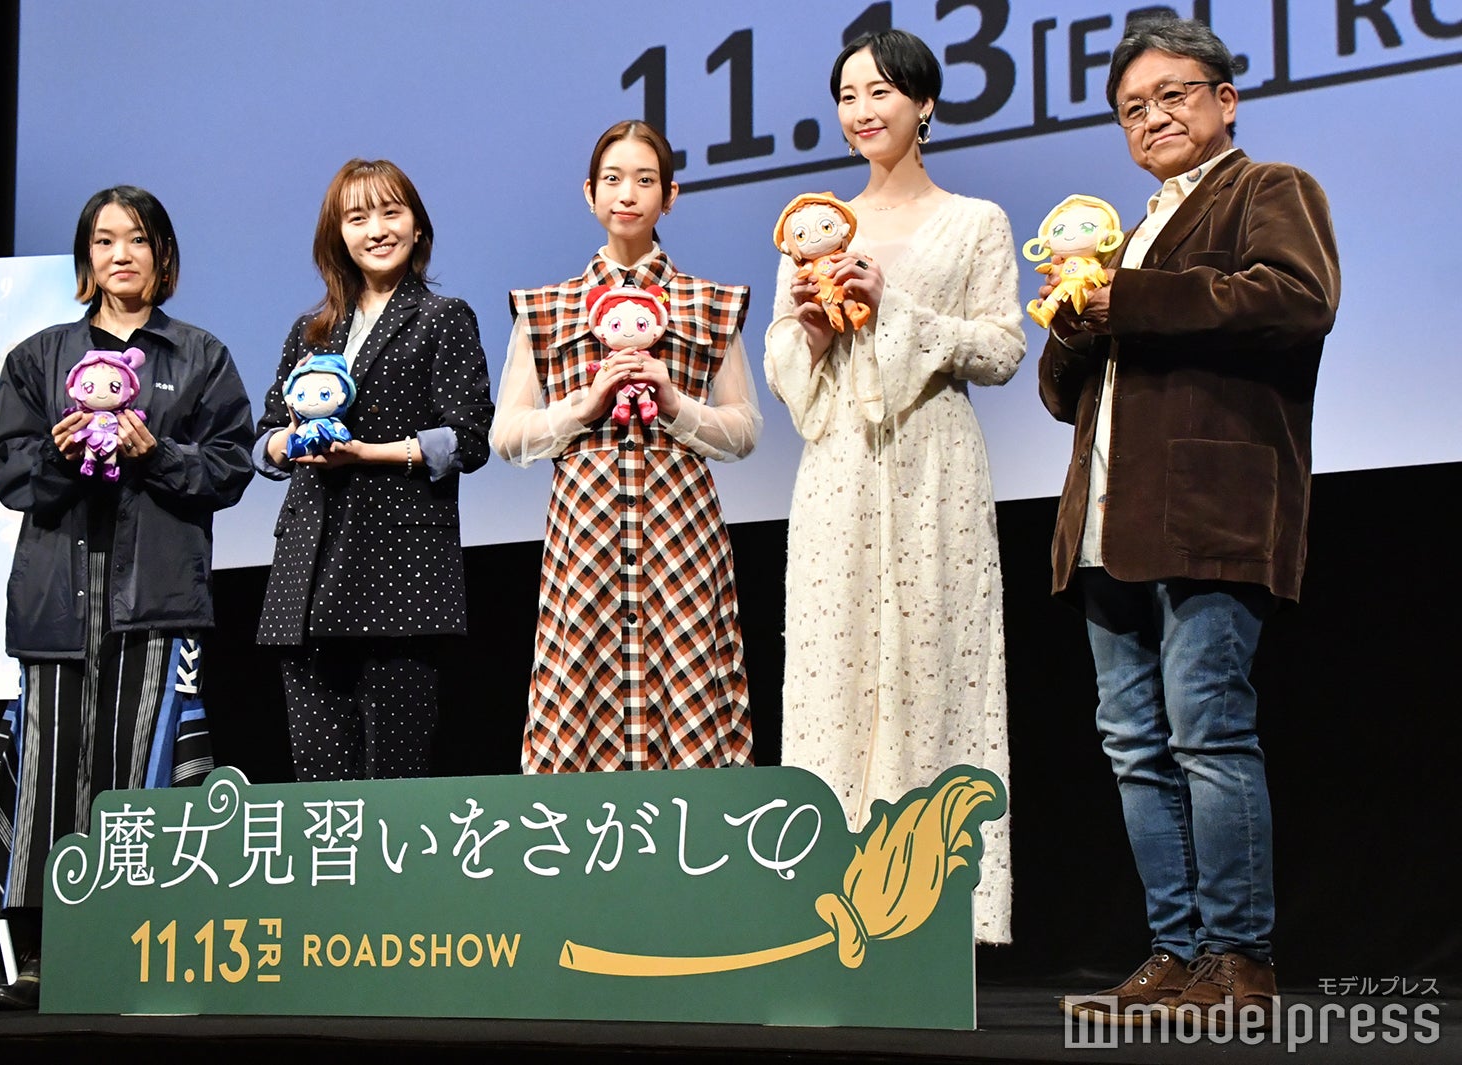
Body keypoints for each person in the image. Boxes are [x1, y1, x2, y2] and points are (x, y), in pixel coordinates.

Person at [1038, 16, 1340, 1027]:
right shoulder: (1123, 239)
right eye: (1132, 107)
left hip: (1211, 508)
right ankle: (1174, 950)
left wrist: (1126, 298)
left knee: (1209, 732)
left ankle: (1238, 958)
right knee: (1133, 744)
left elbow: (1295, 299)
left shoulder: (1268, 189)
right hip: (1106, 521)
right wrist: (1073, 321)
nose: (1152, 117)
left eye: (1172, 95)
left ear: (1224, 99)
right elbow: (1061, 395)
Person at [0, 185, 256, 1009]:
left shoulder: (200, 356)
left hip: (156, 599)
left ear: (162, 255)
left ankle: (137, 950)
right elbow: (8, 471)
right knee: (50, 775)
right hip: (58, 600)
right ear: (87, 257)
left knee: (138, 774)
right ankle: (47, 956)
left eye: (138, 239)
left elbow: (231, 467)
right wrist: (57, 451)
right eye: (105, 240)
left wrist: (158, 454)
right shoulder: (40, 358)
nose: (122, 254)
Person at [763, 29, 1024, 945]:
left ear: (924, 104)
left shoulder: (975, 221)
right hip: (838, 463)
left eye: (880, 91)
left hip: (934, 464)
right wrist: (811, 329)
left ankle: (939, 914)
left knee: (935, 662)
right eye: (847, 95)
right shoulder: (814, 223)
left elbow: (1002, 346)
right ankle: (828, 904)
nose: (862, 110)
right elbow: (783, 358)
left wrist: (896, 306)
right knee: (833, 668)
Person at [491, 120, 760, 772]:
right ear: (589, 193)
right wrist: (583, 408)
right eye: (612, 179)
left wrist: (674, 403)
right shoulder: (547, 308)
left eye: (645, 180)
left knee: (693, 711)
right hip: (586, 537)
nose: (627, 194)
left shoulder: (708, 302)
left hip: (681, 533)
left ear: (670, 195)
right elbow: (507, 435)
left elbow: (745, 429)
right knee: (577, 709)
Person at [255, 158, 493, 782]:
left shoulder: (444, 317)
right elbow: (264, 439)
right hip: (306, 573)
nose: (377, 230)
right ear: (337, 234)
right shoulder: (310, 331)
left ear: (418, 227)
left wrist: (367, 453)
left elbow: (468, 440)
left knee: (394, 787)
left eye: (391, 212)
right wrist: (287, 444)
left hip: (398, 572)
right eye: (357, 217)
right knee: (320, 793)